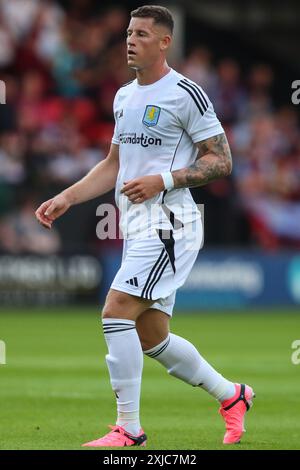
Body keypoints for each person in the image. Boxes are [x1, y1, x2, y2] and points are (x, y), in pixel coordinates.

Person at [35, 5, 255, 447]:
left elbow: (222, 160)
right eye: (128, 33)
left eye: (140, 34)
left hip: (170, 223)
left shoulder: (186, 94)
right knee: (152, 335)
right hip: (137, 225)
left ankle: (128, 429)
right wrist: (67, 197)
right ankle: (232, 395)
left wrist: (165, 179)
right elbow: (113, 164)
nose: (130, 41)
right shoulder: (123, 96)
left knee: (115, 311)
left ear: (164, 42)